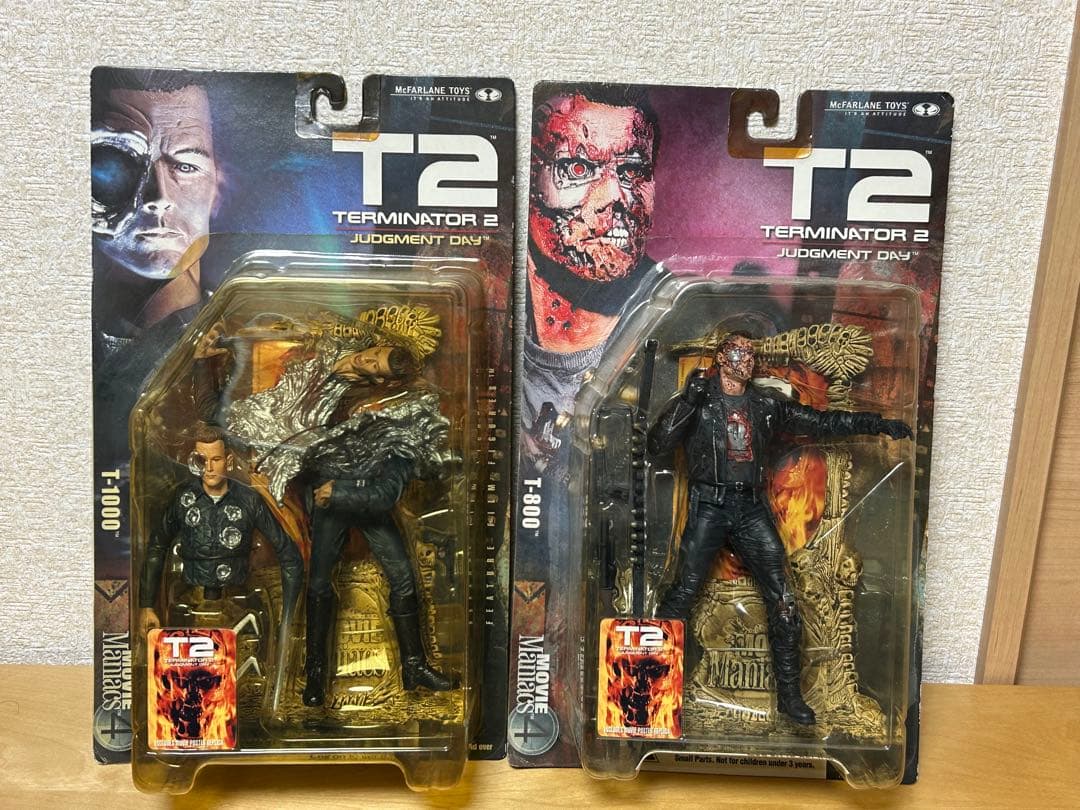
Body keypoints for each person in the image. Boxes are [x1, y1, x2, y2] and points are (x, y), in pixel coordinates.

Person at [647, 332, 911, 725]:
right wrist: (688, 400)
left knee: (784, 601)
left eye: (750, 353)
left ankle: (789, 697)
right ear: (721, 357)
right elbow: (658, 444)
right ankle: (650, 685)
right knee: (683, 593)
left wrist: (877, 423)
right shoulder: (700, 401)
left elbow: (821, 423)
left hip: (750, 507)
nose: (746, 359)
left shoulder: (764, 404)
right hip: (709, 506)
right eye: (738, 352)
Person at [192, 320, 454, 705]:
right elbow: (219, 415)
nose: (369, 360)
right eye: (374, 355)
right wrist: (206, 364)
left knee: (403, 579)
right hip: (328, 499)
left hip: (359, 497)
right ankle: (314, 673)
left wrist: (342, 487)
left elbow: (386, 488)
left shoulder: (384, 413)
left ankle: (414, 666)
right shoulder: (315, 373)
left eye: (377, 366)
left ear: (382, 383)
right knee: (318, 584)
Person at [137, 424, 303, 708]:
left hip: (239, 604)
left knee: (241, 686)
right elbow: (156, 547)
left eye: (215, 459)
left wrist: (288, 617)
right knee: (190, 688)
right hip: (191, 605)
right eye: (202, 460)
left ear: (228, 461)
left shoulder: (248, 500)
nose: (209, 468)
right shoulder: (184, 499)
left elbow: (289, 554)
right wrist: (146, 605)